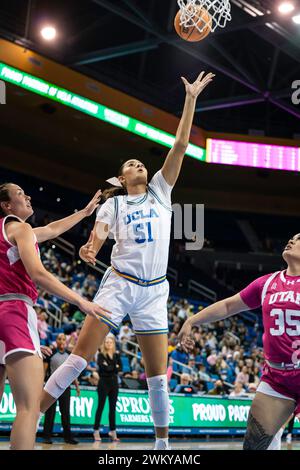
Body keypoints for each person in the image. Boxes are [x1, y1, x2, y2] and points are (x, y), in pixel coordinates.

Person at [40, 71, 215, 450]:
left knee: (157, 378)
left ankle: (162, 447)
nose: (139, 164)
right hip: (119, 284)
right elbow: (98, 236)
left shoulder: (161, 192)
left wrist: (190, 98)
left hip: (154, 293)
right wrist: (89, 250)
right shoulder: (115, 203)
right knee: (78, 359)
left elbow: (181, 145)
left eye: (140, 162)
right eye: (132, 164)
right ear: (121, 178)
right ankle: (32, 413)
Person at [0, 183, 110, 449]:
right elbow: (38, 274)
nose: (27, 196)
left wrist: (84, 213)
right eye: (19, 194)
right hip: (14, 311)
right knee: (29, 409)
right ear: (6, 206)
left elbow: (51, 230)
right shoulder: (20, 228)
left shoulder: (12, 231)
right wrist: (81, 301)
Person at [179, 233, 300, 450]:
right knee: (253, 447)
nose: (291, 240)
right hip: (277, 379)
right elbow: (228, 306)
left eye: (299, 238)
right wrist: (192, 320)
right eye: (291, 238)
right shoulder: (267, 283)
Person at [43, 334, 80, 445]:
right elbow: (44, 370)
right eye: (59, 339)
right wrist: (41, 383)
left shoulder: (70, 355)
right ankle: (47, 437)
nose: (62, 341)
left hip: (65, 387)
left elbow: (73, 373)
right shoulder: (51, 353)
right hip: (51, 386)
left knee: (65, 412)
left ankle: (68, 437)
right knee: (50, 412)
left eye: (64, 339)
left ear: (66, 341)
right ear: (56, 341)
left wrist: (77, 386)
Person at [93, 334, 122, 442]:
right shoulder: (101, 355)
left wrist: (110, 367)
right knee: (100, 407)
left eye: (110, 342)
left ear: (113, 344)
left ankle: (113, 431)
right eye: (106, 342)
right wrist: (114, 367)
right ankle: (96, 430)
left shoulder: (117, 355)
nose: (108, 344)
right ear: (104, 344)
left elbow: (120, 368)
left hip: (114, 383)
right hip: (103, 383)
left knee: (112, 409)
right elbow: (104, 368)